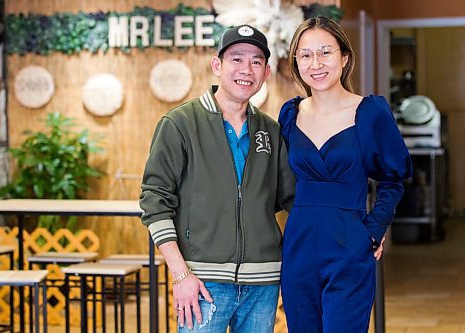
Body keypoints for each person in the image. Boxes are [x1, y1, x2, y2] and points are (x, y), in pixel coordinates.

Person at [140, 24, 295, 332]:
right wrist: (181, 275)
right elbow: (155, 201)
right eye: (236, 58)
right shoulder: (180, 123)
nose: (246, 69)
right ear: (217, 65)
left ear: (266, 73)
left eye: (256, 61)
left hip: (263, 282)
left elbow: (291, 198)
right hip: (201, 281)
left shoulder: (271, 130)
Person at [278, 16, 413, 332]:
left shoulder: (370, 112)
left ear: (344, 57)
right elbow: (278, 182)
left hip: (350, 243)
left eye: (325, 52)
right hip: (298, 244)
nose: (316, 63)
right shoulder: (289, 113)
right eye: (306, 54)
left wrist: (373, 229)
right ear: (296, 62)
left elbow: (393, 179)